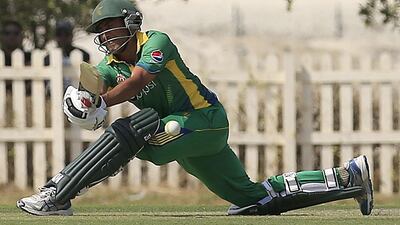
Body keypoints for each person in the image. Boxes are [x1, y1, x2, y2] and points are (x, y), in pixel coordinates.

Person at [16, 0, 373, 216]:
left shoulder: (156, 42)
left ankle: (57, 194)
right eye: (101, 31)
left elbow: (139, 81)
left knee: (135, 131)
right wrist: (81, 99)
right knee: (254, 199)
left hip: (205, 120)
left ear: (130, 22)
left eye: (111, 27)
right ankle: (349, 177)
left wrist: (103, 102)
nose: (106, 36)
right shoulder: (111, 63)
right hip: (182, 133)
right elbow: (94, 81)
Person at [44, 20, 91, 93]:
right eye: (59, 34)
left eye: (66, 34)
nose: (63, 37)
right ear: (55, 37)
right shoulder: (47, 59)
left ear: (71, 36)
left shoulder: (83, 55)